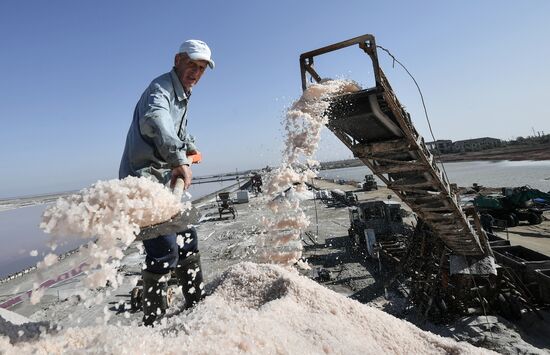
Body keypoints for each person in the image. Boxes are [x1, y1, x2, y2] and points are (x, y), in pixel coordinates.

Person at [119, 39, 215, 326]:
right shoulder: (160, 90)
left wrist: (189, 146)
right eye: (191, 65)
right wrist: (178, 160)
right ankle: (154, 322)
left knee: (188, 240)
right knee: (164, 250)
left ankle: (196, 304)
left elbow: (177, 131)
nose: (195, 72)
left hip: (164, 183)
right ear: (177, 60)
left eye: (201, 68)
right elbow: (157, 122)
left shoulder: (183, 94)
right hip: (143, 183)